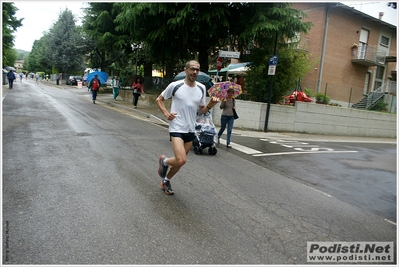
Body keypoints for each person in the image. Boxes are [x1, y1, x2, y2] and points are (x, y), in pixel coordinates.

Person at [155, 60, 220, 195]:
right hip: (177, 127)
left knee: (180, 162)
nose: (194, 72)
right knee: (181, 159)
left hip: (191, 129)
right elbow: (159, 99)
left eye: (197, 70)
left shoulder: (201, 88)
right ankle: (165, 161)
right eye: (192, 69)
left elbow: (201, 110)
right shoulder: (175, 85)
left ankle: (166, 180)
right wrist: (166, 113)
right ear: (186, 70)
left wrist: (210, 105)